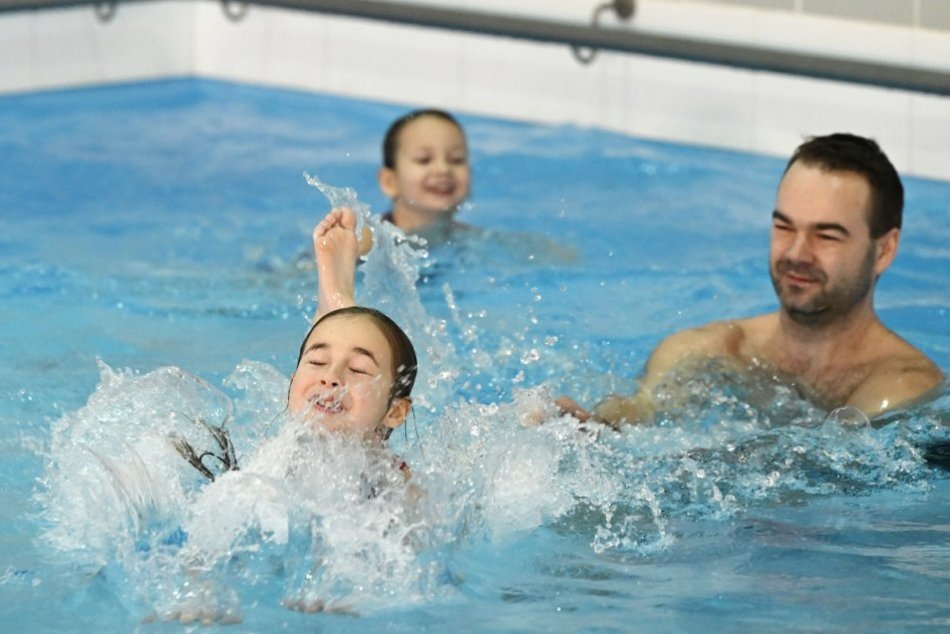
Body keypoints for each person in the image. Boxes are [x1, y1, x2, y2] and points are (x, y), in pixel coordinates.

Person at [557, 133, 943, 428]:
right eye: (783, 226)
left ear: (885, 250)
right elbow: (641, 409)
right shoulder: (710, 348)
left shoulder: (904, 385)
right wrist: (596, 433)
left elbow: (827, 478)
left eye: (826, 236)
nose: (796, 253)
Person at [372, 108, 472, 246]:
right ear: (390, 182)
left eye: (456, 159)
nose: (443, 169)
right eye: (424, 160)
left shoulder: (473, 240)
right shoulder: (369, 241)